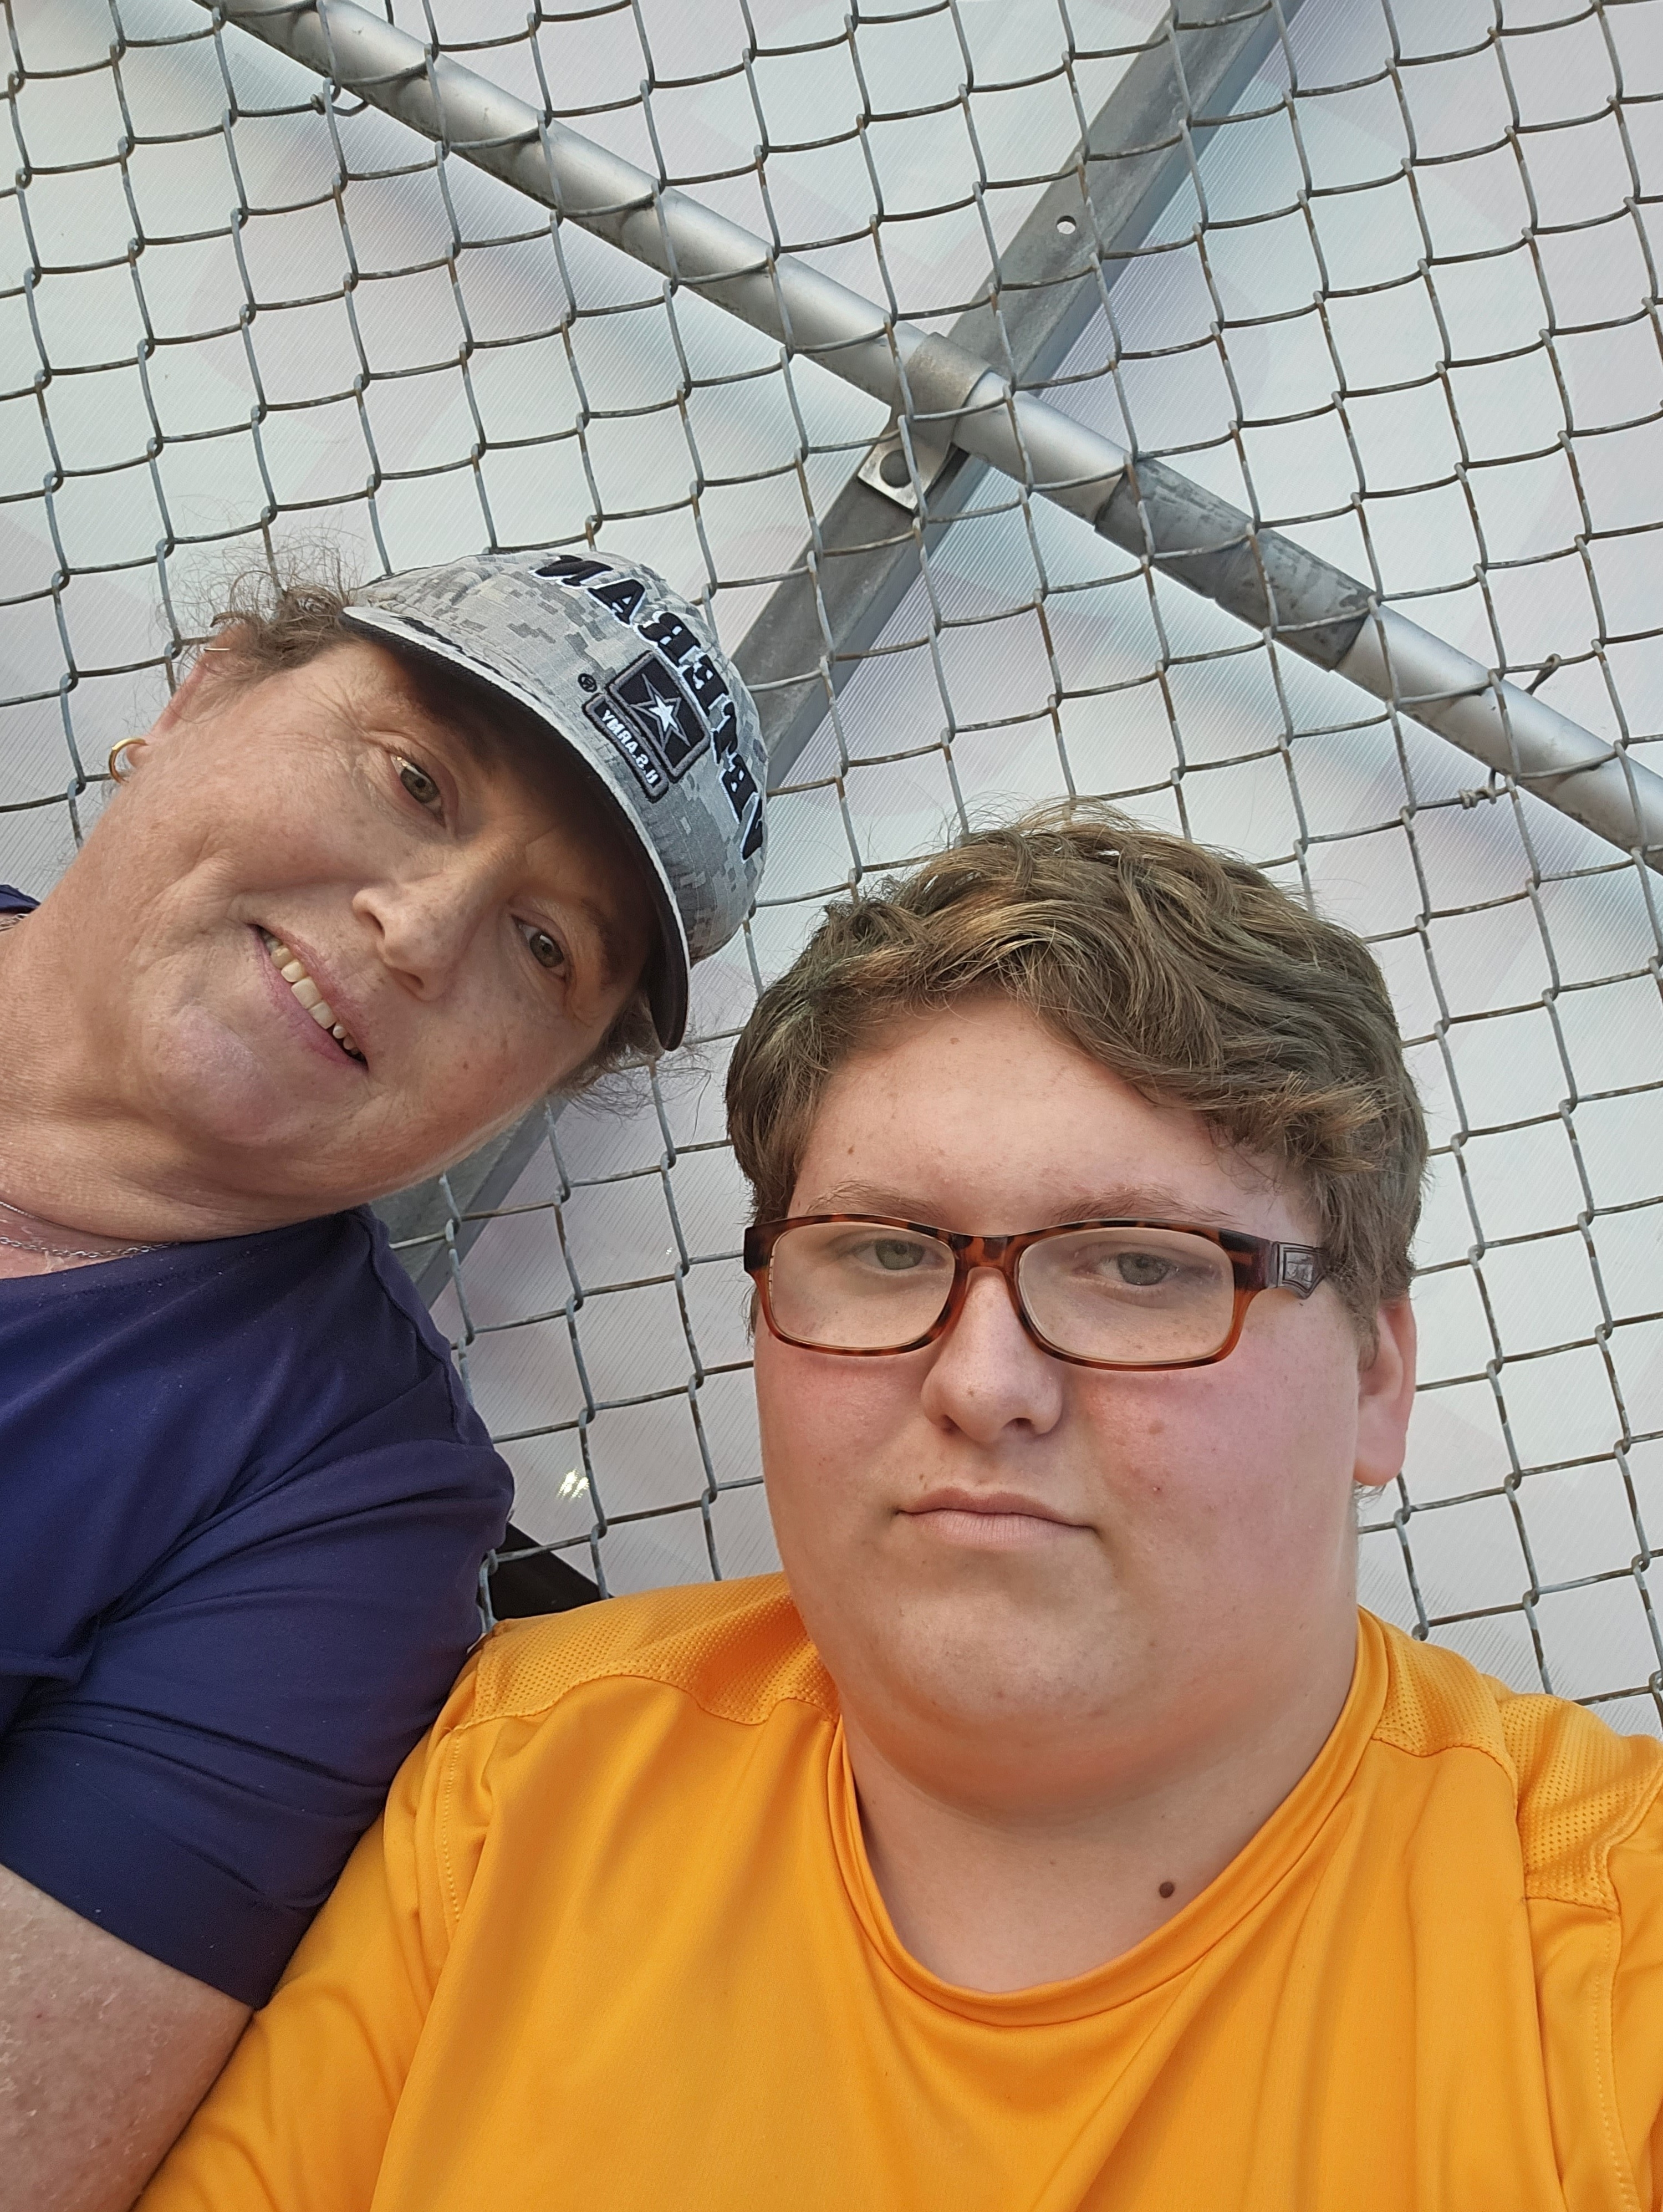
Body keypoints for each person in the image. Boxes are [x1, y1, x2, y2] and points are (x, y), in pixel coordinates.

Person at [139, 806, 1663, 2212]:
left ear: (1377, 1380)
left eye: (1141, 1267)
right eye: (883, 1251)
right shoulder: (521, 1781)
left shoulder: (1605, 1960)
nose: (984, 1381)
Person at [0, 547, 768, 2212]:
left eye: (545, 946)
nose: (418, 932)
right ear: (202, 693)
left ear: (540, 1085)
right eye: (415, 779)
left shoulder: (352, 1517)